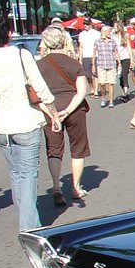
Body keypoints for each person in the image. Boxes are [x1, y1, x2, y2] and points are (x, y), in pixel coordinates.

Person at [0, 17, 59, 230]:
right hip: (26, 120)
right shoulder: (22, 55)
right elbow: (40, 88)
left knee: (16, 173)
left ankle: (25, 216)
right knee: (28, 174)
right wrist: (53, 113)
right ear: (9, 33)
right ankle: (29, 226)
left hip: (2, 123)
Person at [38, 26, 91, 206]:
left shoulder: (39, 65)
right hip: (74, 110)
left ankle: (55, 187)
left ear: (45, 43)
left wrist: (52, 114)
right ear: (64, 42)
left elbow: (35, 95)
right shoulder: (73, 63)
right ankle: (75, 188)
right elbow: (82, 91)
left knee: (54, 149)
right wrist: (68, 110)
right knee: (78, 148)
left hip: (50, 110)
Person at [92, 25, 119, 108]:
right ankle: (103, 98)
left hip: (111, 64)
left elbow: (116, 52)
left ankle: (111, 101)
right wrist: (93, 65)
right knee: (102, 83)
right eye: (108, 31)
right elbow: (93, 53)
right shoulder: (97, 41)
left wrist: (119, 63)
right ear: (103, 32)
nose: (110, 33)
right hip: (101, 64)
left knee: (111, 83)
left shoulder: (113, 42)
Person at [78, 21, 100, 97]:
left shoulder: (97, 33)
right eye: (84, 24)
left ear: (91, 25)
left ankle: (96, 91)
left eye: (87, 24)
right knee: (88, 75)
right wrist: (80, 59)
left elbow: (99, 45)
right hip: (85, 56)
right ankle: (92, 88)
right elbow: (81, 47)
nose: (85, 25)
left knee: (95, 74)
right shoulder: (81, 34)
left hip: (95, 55)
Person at [114, 21, 132, 102]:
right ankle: (124, 91)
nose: (114, 28)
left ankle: (126, 94)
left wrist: (131, 59)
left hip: (125, 57)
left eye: (116, 26)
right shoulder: (113, 36)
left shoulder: (125, 36)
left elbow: (128, 47)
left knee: (124, 74)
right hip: (117, 58)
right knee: (120, 76)